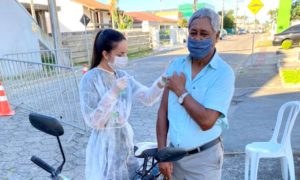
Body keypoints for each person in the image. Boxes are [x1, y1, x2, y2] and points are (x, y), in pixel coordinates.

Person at [156, 8, 235, 180]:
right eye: (193, 33)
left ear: (217, 36)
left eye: (204, 34)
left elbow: (206, 121)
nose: (197, 38)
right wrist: (162, 153)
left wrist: (180, 91)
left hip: (203, 161)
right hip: (173, 157)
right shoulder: (175, 65)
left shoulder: (223, 73)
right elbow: (163, 112)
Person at [79, 29, 166, 180]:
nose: (124, 58)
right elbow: (93, 121)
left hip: (125, 144)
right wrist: (113, 93)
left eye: (126, 53)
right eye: (120, 55)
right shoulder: (90, 79)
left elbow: (148, 98)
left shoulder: (122, 77)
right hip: (104, 147)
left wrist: (163, 80)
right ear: (105, 54)